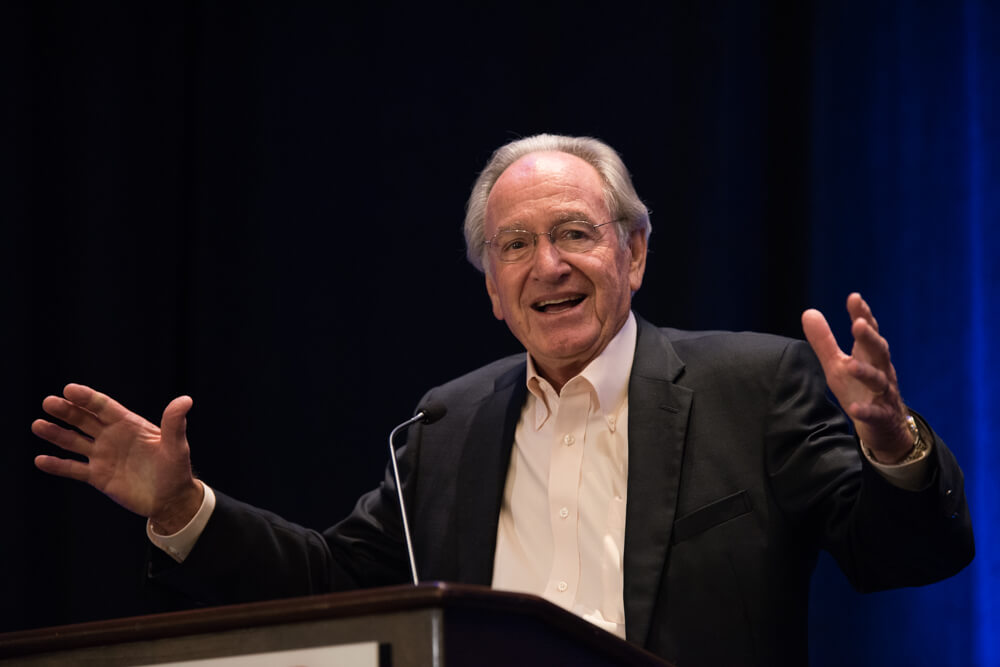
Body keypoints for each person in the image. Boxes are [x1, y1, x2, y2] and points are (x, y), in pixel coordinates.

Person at [32, 135, 973, 666]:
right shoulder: (445, 425)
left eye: (574, 233)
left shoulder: (751, 383)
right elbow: (331, 585)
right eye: (514, 247)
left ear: (634, 254)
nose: (548, 266)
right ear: (490, 286)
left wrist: (892, 445)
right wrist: (180, 508)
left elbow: (906, 556)